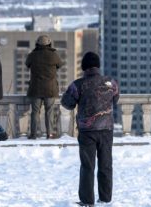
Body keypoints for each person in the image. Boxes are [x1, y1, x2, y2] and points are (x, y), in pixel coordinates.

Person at [61, 52, 119, 207]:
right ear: (98, 66)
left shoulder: (78, 85)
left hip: (87, 131)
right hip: (106, 129)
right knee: (106, 164)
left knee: (87, 166)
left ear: (84, 67)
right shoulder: (111, 82)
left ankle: (87, 201)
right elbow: (116, 98)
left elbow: (67, 103)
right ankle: (106, 198)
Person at [25, 34, 64, 139]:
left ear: (37, 44)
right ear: (49, 43)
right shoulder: (54, 55)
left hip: (35, 88)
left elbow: (27, 64)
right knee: (49, 111)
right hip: (50, 89)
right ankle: (50, 133)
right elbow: (60, 65)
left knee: (35, 112)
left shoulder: (32, 55)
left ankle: (33, 134)